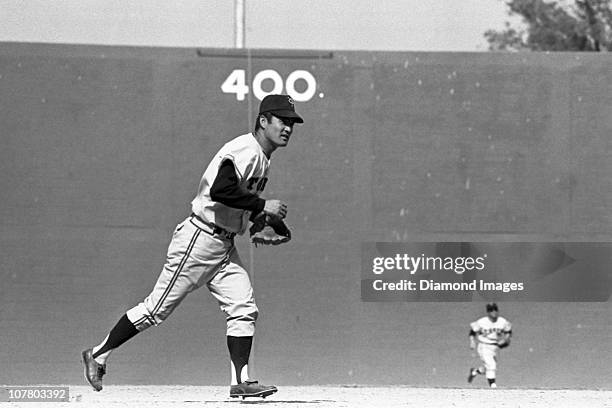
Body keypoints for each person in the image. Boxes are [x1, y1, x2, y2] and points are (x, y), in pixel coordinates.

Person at [81, 94, 304, 399]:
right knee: (155, 310)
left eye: (292, 122)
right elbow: (220, 189)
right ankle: (98, 354)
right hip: (199, 240)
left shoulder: (262, 158)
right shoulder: (245, 149)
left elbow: (236, 198)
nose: (288, 127)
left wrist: (261, 218)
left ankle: (242, 381)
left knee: (243, 308)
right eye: (282, 120)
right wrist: (263, 204)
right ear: (263, 121)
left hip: (223, 246)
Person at [467, 303, 512, 388]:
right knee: (491, 365)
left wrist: (506, 339)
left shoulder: (502, 321)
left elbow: (508, 331)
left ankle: (475, 371)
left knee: (488, 368)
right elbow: (472, 332)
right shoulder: (482, 322)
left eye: (495, 310)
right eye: (491, 310)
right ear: (488, 312)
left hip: (495, 347)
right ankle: (493, 386)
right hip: (484, 345)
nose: (494, 312)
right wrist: (472, 341)